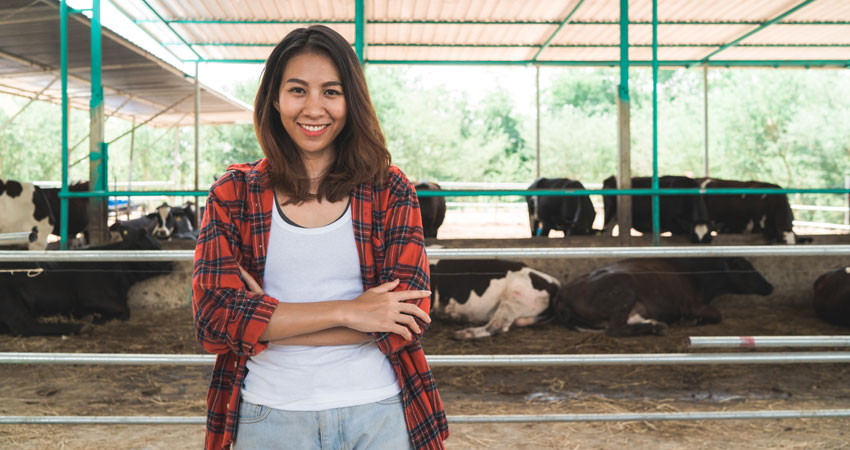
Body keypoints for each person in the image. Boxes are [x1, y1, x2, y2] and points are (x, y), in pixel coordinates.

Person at [192, 25, 448, 450]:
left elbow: (408, 318)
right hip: (270, 414)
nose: (314, 108)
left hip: (378, 411)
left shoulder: (390, 189)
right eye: (297, 90)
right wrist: (353, 312)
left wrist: (265, 322)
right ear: (274, 99)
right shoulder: (233, 193)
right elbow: (214, 323)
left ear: (352, 100)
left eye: (331, 91)